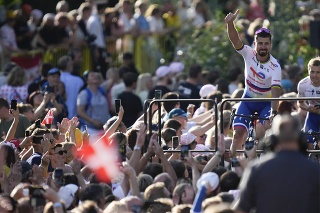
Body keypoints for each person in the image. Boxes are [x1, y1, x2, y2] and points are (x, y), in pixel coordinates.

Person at [225, 10, 282, 157]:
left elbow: (276, 91)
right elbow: (235, 40)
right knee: (237, 136)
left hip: (265, 103)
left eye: (266, 44)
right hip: (248, 100)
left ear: (270, 45)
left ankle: (264, 163)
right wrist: (230, 23)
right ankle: (235, 169)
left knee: (266, 132)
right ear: (255, 43)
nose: (263, 47)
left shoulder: (275, 66)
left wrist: (274, 112)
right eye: (260, 44)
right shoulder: (248, 53)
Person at [235, 114, 320, 213]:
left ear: (272, 139)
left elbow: (240, 209)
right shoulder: (315, 171)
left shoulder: (256, 169)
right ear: (301, 138)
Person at [297, 56, 320, 149]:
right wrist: (308, 108)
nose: (315, 75)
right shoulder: (303, 84)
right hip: (312, 115)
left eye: (318, 72)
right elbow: (300, 103)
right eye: (312, 72)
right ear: (308, 71)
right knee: (308, 144)